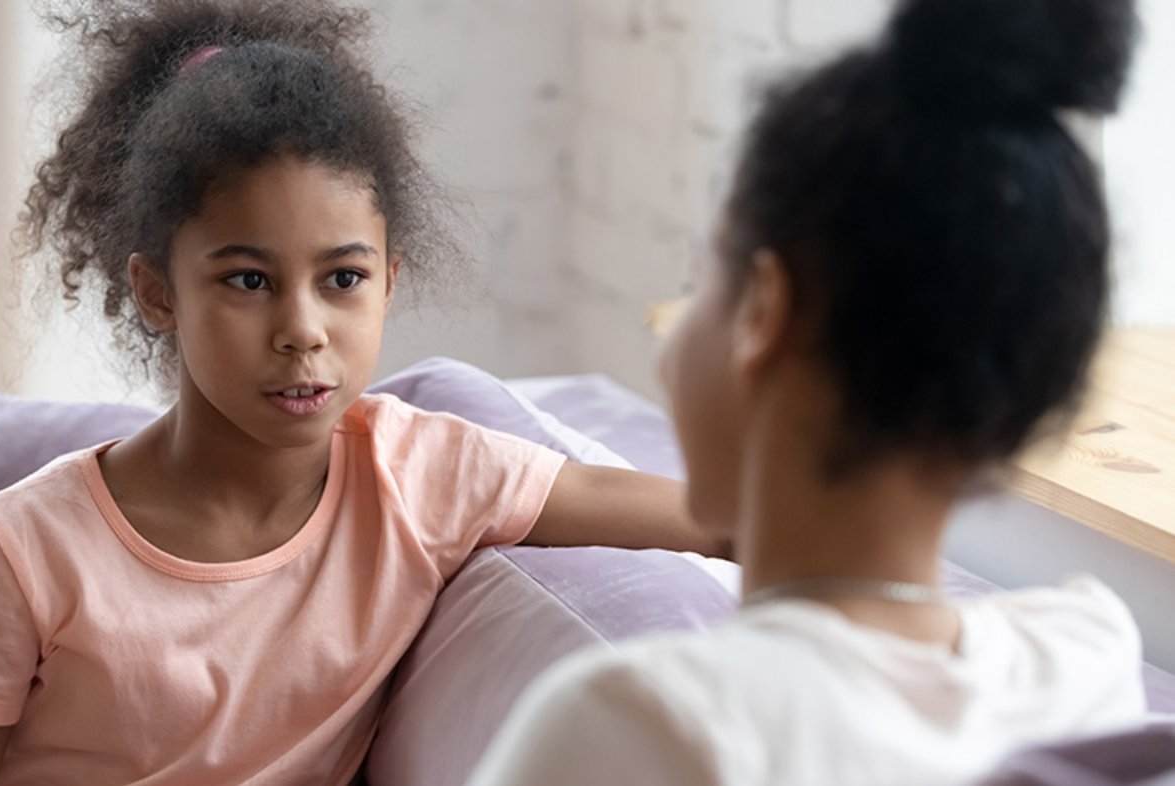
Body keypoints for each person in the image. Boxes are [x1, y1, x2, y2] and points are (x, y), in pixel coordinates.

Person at [0, 2, 724, 784]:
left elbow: (687, 509)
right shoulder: (20, 551)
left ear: (390, 281)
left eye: (343, 278)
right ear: (158, 292)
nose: (302, 329)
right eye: (246, 281)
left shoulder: (417, 476)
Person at [470, 0, 1148, 784]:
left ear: (763, 311)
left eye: (701, 283)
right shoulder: (1082, 659)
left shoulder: (643, 728)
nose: (668, 349)